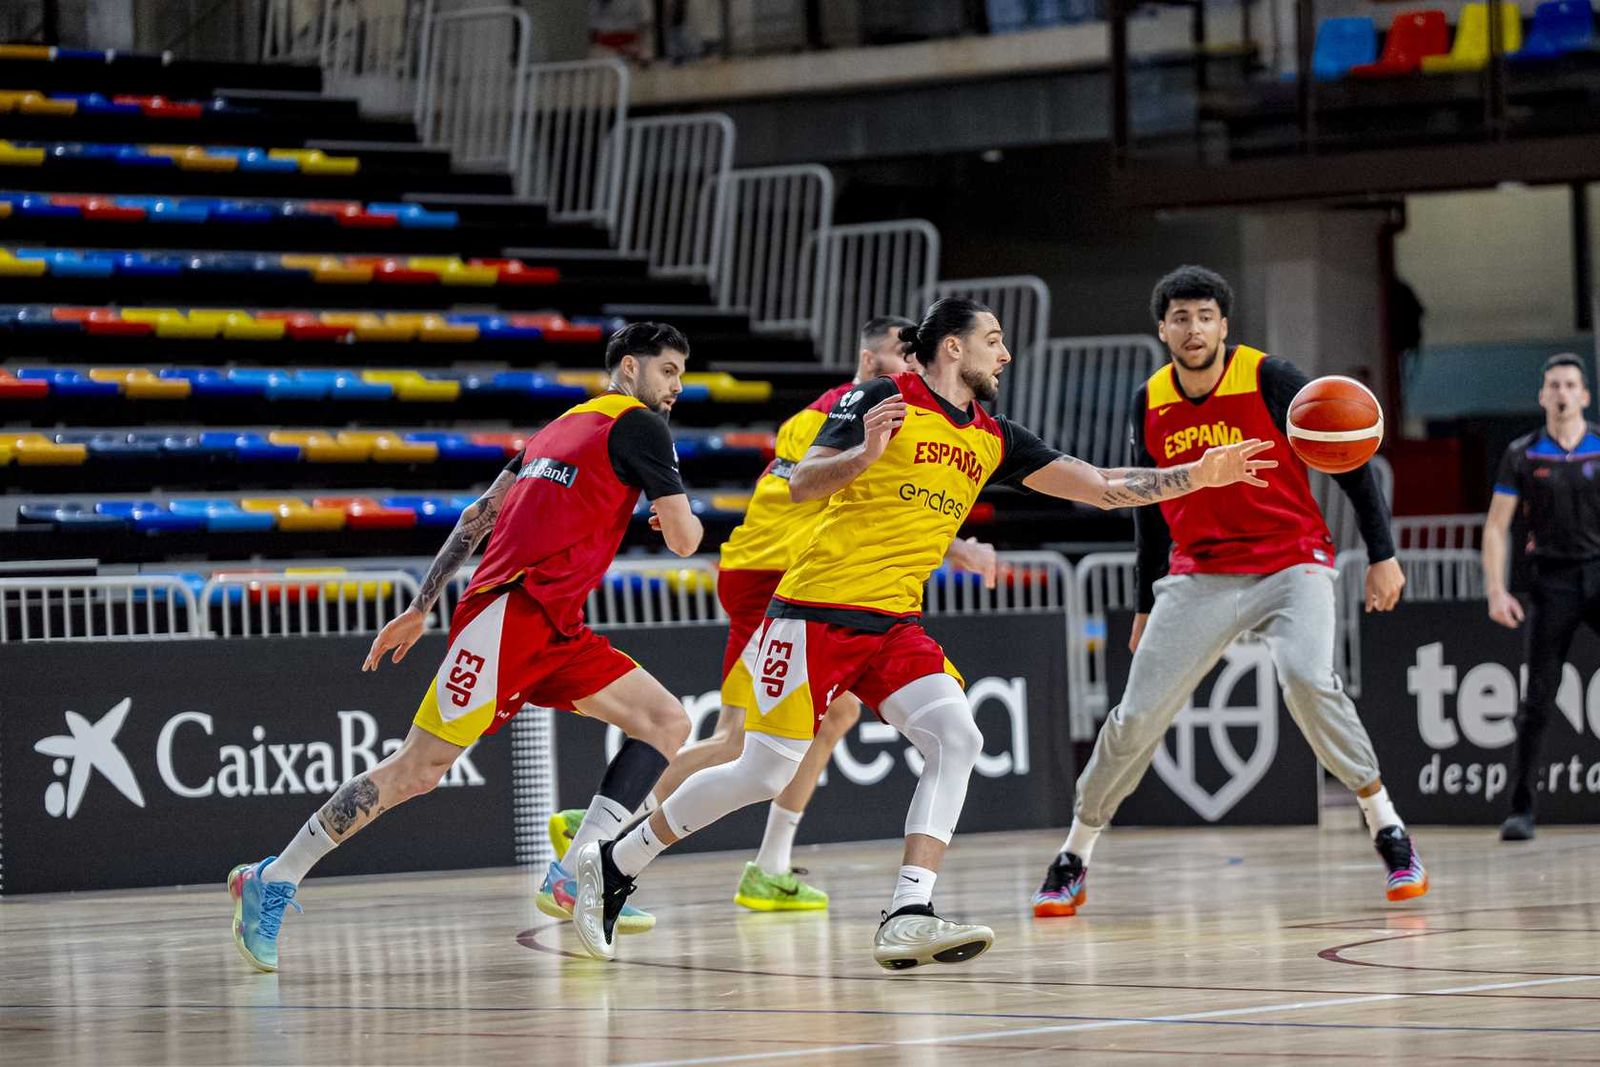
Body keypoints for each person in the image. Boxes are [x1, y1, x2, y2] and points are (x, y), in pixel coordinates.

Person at [572, 296, 1277, 967]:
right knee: (761, 770)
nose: (1004, 355)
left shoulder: (993, 437)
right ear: (953, 346)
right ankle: (615, 863)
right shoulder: (882, 398)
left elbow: (1096, 484)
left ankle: (909, 909)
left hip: (893, 625)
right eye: (993, 340)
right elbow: (803, 483)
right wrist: (863, 456)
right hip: (813, 612)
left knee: (960, 735)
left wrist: (1196, 474)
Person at [226, 323, 702, 972]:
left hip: (554, 625)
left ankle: (573, 870)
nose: (676, 386)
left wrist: (423, 603)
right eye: (667, 370)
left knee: (666, 719)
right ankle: (272, 877)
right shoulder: (641, 426)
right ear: (627, 370)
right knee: (416, 770)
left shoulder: (559, 428)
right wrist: (683, 516)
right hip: (509, 617)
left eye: (680, 373)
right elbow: (683, 540)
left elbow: (478, 514)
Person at [546, 316, 997, 913]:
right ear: (869, 361)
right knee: (744, 746)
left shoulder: (903, 416)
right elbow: (811, 498)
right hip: (777, 579)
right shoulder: (843, 414)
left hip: (805, 584)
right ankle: (600, 834)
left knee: (831, 719)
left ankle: (767, 863)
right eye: (900, 354)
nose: (913, 366)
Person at [1031, 265, 1425, 920]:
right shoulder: (1149, 398)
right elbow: (1148, 509)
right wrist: (1144, 600)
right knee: (1134, 715)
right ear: (1162, 328)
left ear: (1224, 324)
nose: (1193, 328)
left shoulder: (1270, 378)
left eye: (1205, 316)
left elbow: (1351, 464)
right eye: (1180, 317)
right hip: (1198, 571)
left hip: (1291, 561)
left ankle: (1387, 828)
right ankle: (1074, 854)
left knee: (1306, 677)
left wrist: (1382, 554)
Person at [1483, 353, 1600, 842]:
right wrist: (1495, 589)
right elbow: (1496, 526)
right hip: (1551, 584)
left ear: (1584, 395)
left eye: (1570, 385)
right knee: (1537, 701)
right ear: (1542, 396)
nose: (1562, 393)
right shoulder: (1523, 453)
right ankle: (1521, 810)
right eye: (1553, 385)